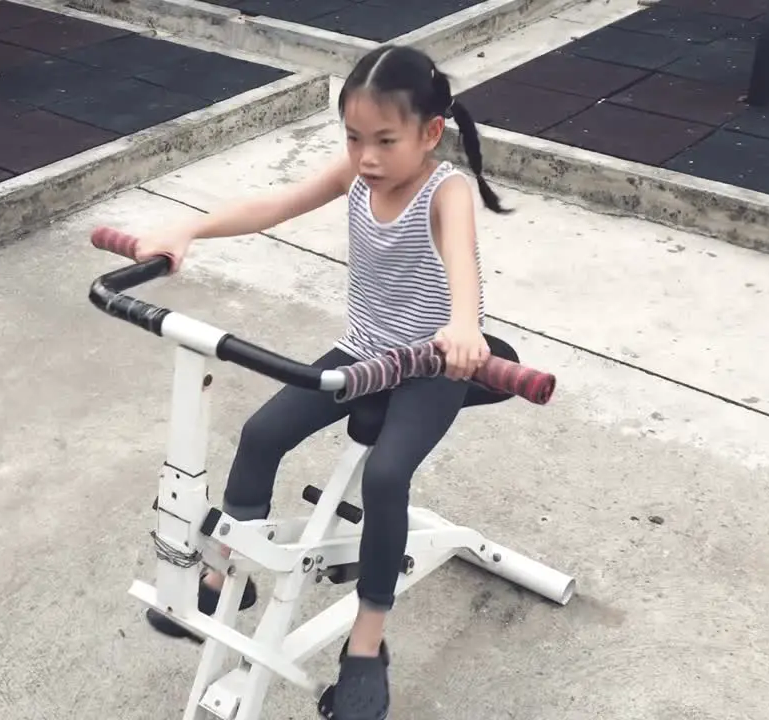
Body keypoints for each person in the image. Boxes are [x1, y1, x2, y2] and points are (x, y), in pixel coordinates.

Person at [130, 43, 511, 720]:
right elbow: (271, 206)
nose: (366, 156)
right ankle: (227, 575)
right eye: (353, 138)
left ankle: (366, 647)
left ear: (430, 133)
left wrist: (462, 327)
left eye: (384, 140)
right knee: (260, 433)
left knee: (388, 477)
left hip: (431, 364)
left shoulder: (443, 191)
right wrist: (191, 226)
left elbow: (463, 266)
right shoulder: (358, 176)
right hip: (362, 352)